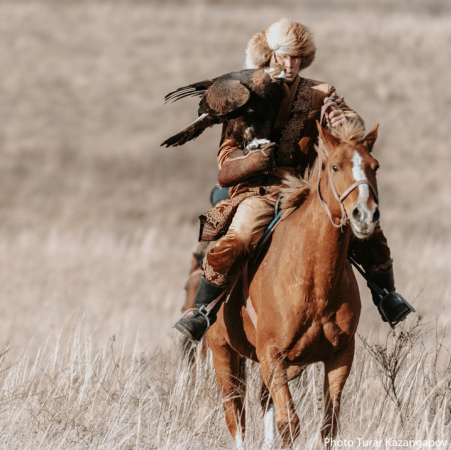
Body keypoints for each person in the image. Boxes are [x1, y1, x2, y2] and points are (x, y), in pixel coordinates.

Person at [173, 18, 414, 342]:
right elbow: (225, 163)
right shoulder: (246, 92)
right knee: (240, 237)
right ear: (270, 55)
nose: (289, 64)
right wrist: (253, 160)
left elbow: (354, 127)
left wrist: (344, 120)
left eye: (296, 58)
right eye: (283, 56)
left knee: (365, 228)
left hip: (304, 190)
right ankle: (202, 311)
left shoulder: (320, 93)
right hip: (256, 193)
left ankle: (387, 295)